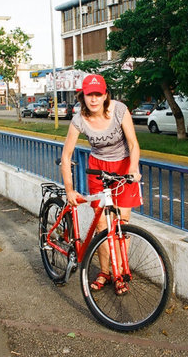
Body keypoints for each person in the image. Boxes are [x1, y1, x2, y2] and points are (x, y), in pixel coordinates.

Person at [60, 74, 141, 296]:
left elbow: (133, 144)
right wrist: (69, 190)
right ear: (82, 97)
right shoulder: (79, 120)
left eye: (98, 94)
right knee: (102, 227)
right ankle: (105, 272)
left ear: (105, 95)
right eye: (89, 95)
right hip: (98, 169)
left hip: (124, 167)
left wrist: (133, 168)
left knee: (122, 225)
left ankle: (121, 273)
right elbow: (66, 156)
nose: (94, 99)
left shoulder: (119, 110)